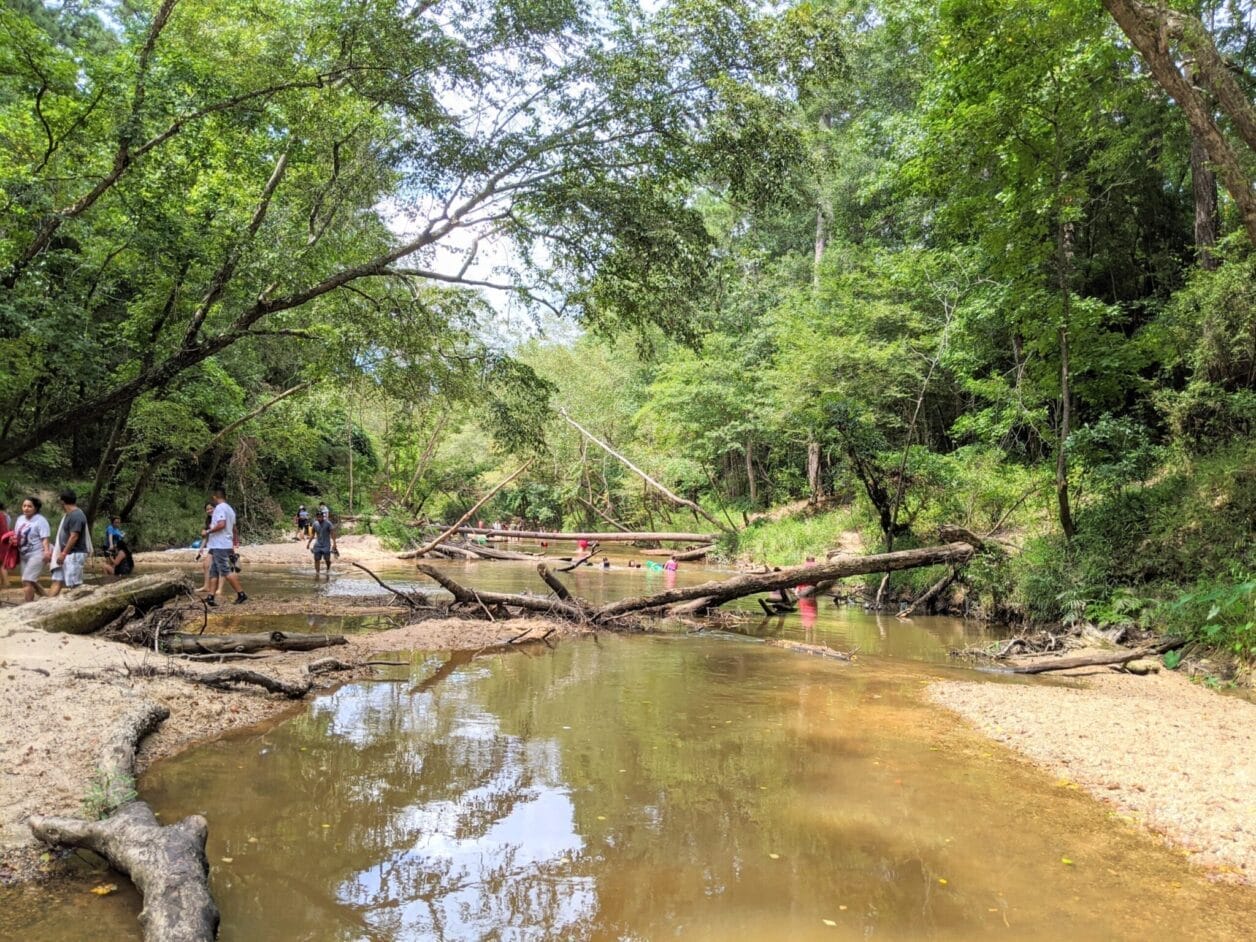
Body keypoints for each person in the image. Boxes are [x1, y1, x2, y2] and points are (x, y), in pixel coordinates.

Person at [202, 486, 247, 606]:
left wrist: (208, 531)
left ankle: (241, 594)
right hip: (223, 544)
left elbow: (221, 524)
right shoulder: (230, 509)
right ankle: (211, 597)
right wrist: (234, 543)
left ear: (215, 497)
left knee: (225, 571)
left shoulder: (220, 508)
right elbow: (233, 528)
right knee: (214, 571)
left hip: (220, 545)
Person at [47, 490, 91, 597]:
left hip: (73, 554)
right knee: (57, 580)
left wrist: (63, 554)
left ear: (62, 502)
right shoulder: (69, 515)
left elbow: (74, 536)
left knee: (74, 585)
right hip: (66, 554)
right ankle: (46, 605)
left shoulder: (76, 515)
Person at [13, 497, 50, 603]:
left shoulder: (40, 520)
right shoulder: (20, 519)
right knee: (31, 581)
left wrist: (47, 551)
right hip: (24, 555)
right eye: (24, 506)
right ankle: (49, 599)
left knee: (27, 580)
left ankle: (28, 605)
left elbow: (45, 538)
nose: (26, 508)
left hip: (37, 554)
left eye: (29, 506)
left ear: (36, 508)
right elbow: (17, 535)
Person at [305, 509, 339, 577]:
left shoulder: (328, 523)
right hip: (318, 544)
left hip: (326, 544)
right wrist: (309, 543)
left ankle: (328, 568)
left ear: (323, 517)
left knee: (327, 559)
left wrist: (334, 543)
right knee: (316, 559)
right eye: (318, 517)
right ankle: (317, 573)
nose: (319, 518)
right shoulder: (315, 524)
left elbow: (332, 533)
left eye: (321, 516)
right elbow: (312, 534)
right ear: (316, 517)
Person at [195, 501, 214, 592]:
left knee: (221, 568)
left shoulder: (219, 518)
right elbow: (205, 537)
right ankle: (207, 587)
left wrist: (207, 531)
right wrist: (201, 549)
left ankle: (219, 589)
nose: (209, 510)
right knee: (206, 565)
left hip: (221, 545)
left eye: (211, 508)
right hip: (214, 546)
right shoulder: (208, 520)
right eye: (207, 509)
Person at [0, 501, 13, 589]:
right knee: (2, 565)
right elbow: (8, 529)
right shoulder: (6, 516)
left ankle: (5, 585)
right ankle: (6, 584)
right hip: (4, 542)